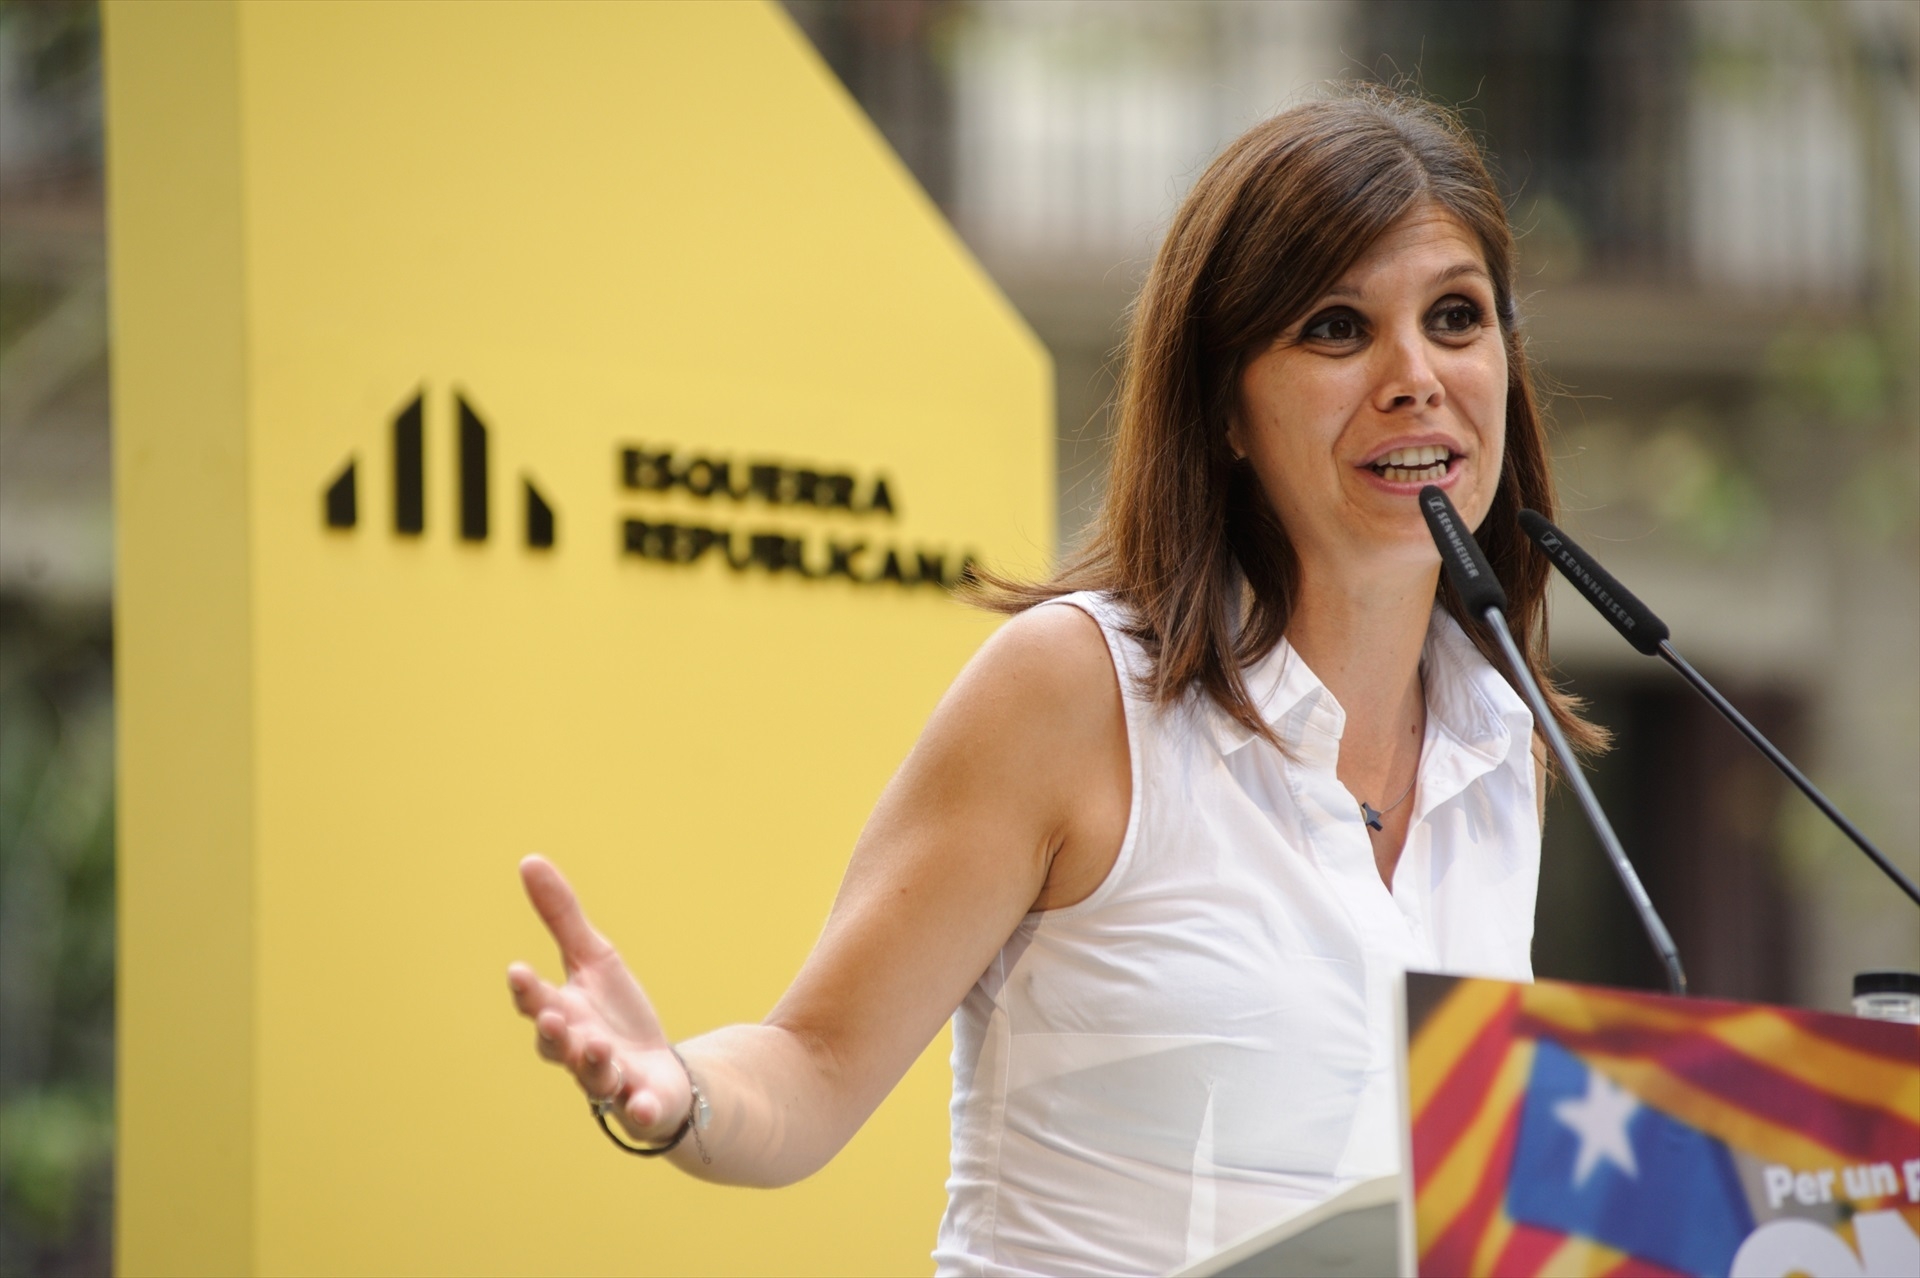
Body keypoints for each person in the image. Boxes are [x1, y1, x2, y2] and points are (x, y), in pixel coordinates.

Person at [505, 84, 1601, 1277]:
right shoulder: (1078, 691)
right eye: (1336, 328)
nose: (1414, 375)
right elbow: (812, 1067)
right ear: (1223, 404)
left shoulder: (1501, 743)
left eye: (1456, 317)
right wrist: (676, 1092)